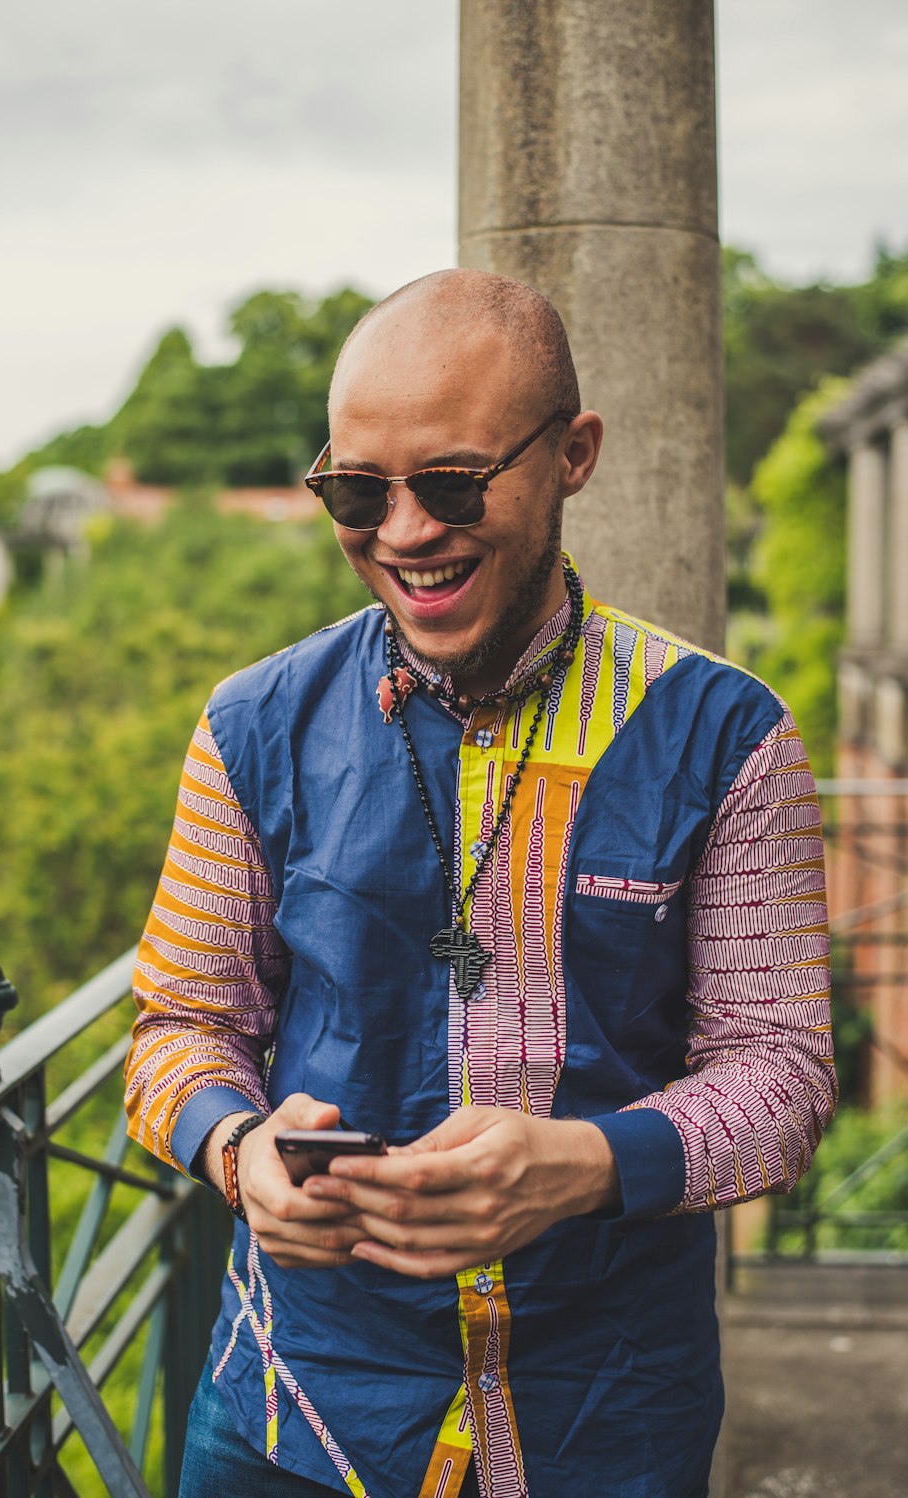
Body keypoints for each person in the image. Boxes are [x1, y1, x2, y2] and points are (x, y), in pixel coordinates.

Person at [124, 269, 836, 1498]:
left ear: (573, 454)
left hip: (603, 1421)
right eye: (356, 489)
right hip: (298, 1410)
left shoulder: (728, 734)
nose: (402, 531)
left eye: (451, 483)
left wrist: (583, 1164)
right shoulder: (250, 727)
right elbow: (179, 1026)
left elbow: (784, 1074)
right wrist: (237, 1147)